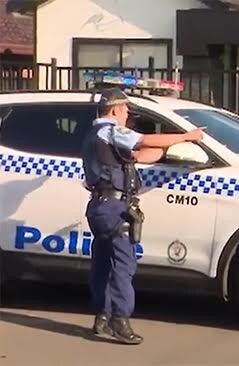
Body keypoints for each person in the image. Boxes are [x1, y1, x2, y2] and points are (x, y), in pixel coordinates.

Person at [81, 88, 204, 344]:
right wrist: (187, 136)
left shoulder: (98, 136)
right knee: (124, 265)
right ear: (115, 110)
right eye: (126, 110)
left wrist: (172, 146)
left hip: (101, 206)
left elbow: (139, 155)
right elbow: (144, 141)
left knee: (104, 263)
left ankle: (102, 317)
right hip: (114, 208)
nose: (127, 115)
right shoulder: (111, 130)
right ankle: (120, 320)